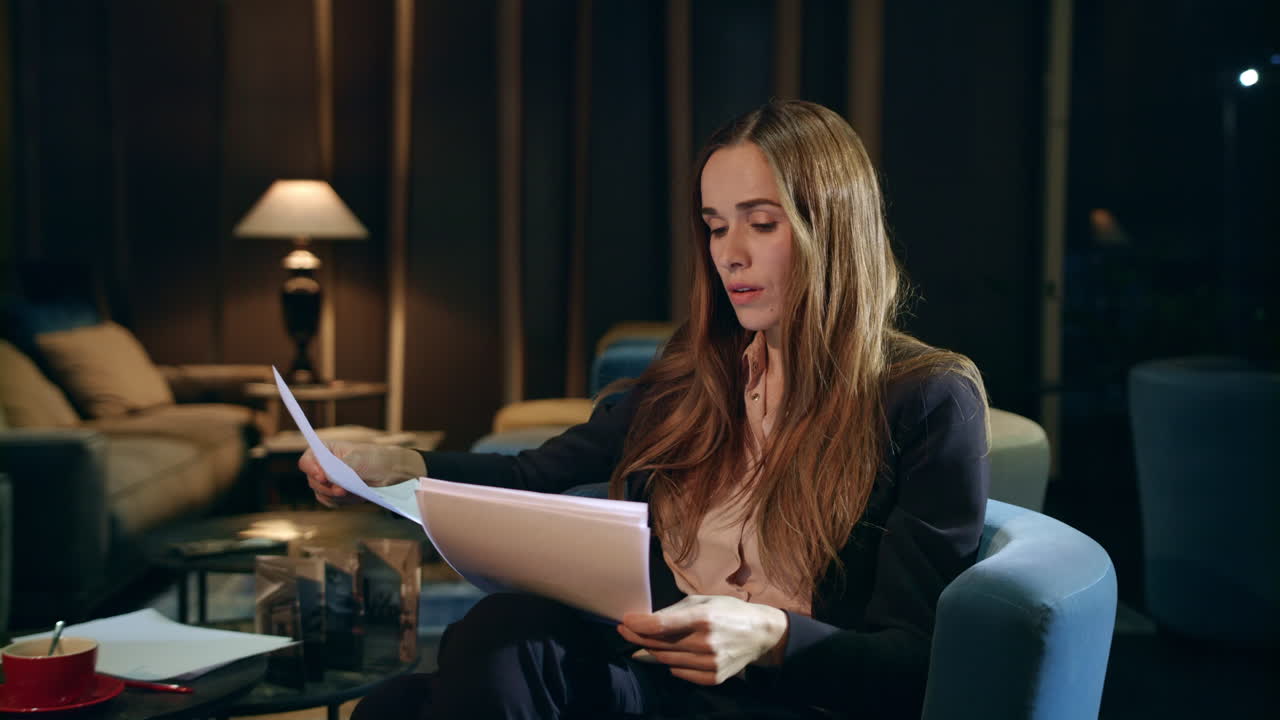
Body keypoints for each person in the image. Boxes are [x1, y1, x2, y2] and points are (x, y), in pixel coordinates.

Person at [301, 99, 989, 719]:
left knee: (425, 696)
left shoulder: (928, 398)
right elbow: (534, 473)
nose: (731, 255)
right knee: (484, 644)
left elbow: (916, 663)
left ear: (831, 225)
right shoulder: (697, 375)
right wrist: (399, 466)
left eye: (761, 223)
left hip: (787, 698)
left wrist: (774, 639)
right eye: (716, 228)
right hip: (651, 676)